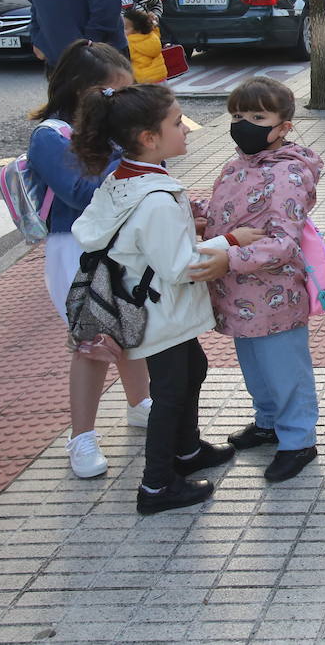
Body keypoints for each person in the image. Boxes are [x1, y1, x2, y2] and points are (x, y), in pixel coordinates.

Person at [71, 84, 240, 514]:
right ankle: (157, 485)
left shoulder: (124, 178)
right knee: (171, 393)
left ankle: (187, 452)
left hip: (154, 308)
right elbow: (181, 267)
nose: (185, 128)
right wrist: (230, 243)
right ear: (149, 138)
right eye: (176, 122)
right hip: (161, 312)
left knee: (192, 371)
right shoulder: (157, 201)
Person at [26, 41, 151, 478]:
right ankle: (81, 438)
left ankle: (142, 406)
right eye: (113, 93)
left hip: (118, 244)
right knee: (93, 344)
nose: (120, 102)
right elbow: (80, 193)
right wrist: (128, 152)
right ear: (83, 90)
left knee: (132, 331)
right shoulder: (50, 136)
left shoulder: (105, 134)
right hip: (76, 250)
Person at [196, 77, 322, 483]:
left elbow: (283, 242)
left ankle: (298, 439)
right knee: (254, 365)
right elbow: (227, 210)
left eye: (257, 116)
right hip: (238, 294)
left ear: (284, 125)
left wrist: (229, 258)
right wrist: (194, 212)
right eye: (237, 115)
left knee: (285, 369)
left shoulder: (288, 173)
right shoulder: (236, 165)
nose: (244, 124)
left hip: (274, 295)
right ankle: (267, 421)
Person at [123, 7, 167, 84]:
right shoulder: (153, 36)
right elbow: (155, 30)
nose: (122, 30)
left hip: (143, 82)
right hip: (161, 78)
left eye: (125, 28)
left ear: (137, 30)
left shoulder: (130, 43)